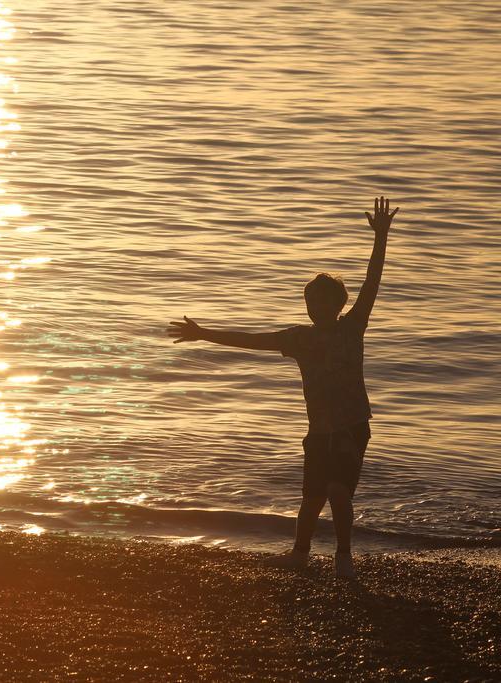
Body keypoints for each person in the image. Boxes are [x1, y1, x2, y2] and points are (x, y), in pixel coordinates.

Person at [167, 197, 399, 578]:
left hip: (352, 426)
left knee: (339, 492)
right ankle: (299, 554)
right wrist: (203, 333)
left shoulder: (352, 327)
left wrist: (381, 237)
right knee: (311, 498)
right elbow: (252, 340)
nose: (316, 309)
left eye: (323, 303)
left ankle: (344, 558)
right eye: (310, 303)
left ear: (338, 305)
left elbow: (372, 283)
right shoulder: (298, 339)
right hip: (318, 429)